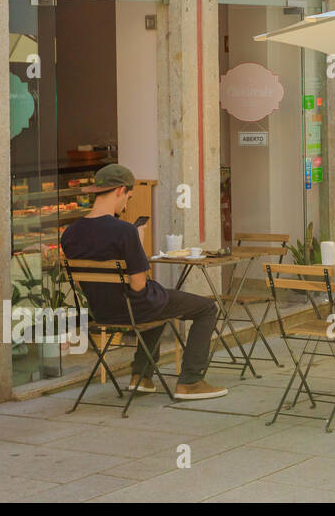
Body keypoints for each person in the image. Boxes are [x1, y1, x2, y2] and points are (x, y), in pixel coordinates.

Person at [59, 164, 227, 399]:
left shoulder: (70, 233)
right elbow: (138, 286)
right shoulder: (125, 231)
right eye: (128, 197)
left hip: (101, 311)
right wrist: (137, 241)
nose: (126, 204)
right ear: (120, 190)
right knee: (206, 307)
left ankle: (141, 377)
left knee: (157, 302)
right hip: (133, 309)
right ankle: (190, 381)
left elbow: (81, 284)